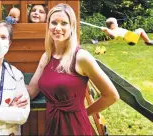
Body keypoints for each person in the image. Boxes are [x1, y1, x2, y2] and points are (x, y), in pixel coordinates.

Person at [28, 3, 119, 135]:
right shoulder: (46, 57)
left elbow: (111, 96)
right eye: (54, 22)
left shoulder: (81, 57)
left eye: (64, 23)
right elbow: (31, 91)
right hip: (52, 126)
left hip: (75, 127)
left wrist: (84, 113)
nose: (57, 28)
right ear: (48, 26)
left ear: (72, 27)